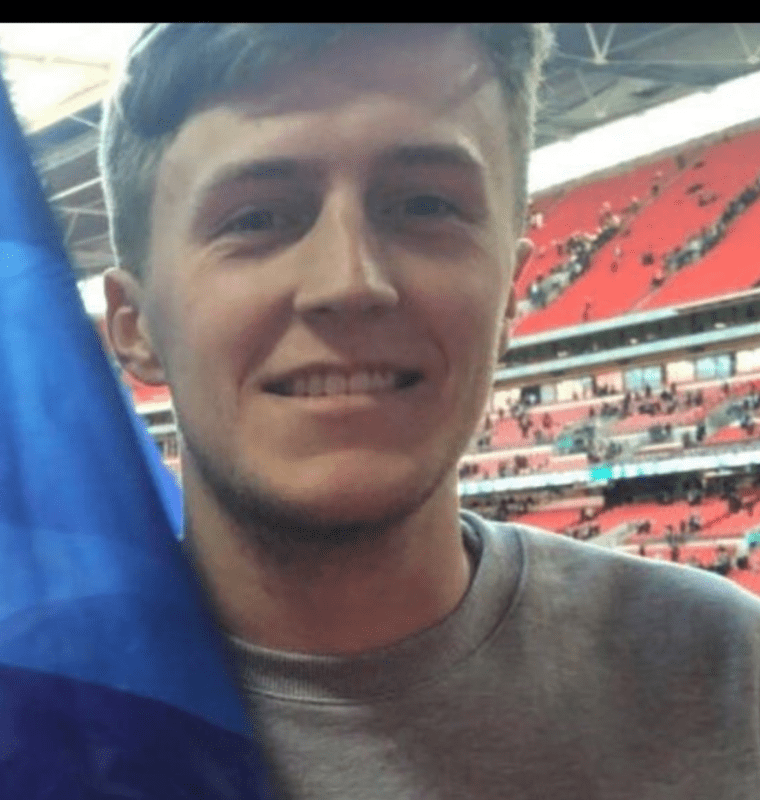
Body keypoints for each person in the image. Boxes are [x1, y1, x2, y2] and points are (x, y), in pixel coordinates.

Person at [100, 22, 760, 800]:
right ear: (133, 327)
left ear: (510, 294)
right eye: (257, 219)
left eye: (424, 204)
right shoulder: (16, 714)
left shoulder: (724, 672)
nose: (350, 282)